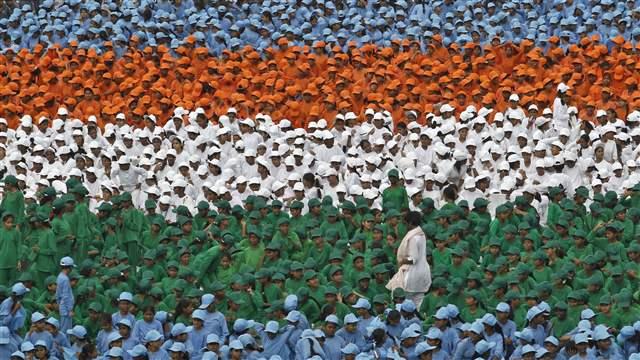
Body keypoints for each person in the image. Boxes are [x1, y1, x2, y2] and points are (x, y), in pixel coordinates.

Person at [387, 211, 431, 308]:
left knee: (403, 303)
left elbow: (413, 258)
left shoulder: (413, 238)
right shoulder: (421, 234)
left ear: (410, 223)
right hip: (422, 273)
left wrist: (402, 261)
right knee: (418, 305)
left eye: (406, 223)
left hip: (412, 275)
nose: (405, 225)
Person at [55, 257, 75, 333]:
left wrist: (59, 304)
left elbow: (58, 293)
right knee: (66, 331)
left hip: (62, 306)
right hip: (66, 310)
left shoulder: (60, 276)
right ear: (69, 268)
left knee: (64, 328)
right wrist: (70, 310)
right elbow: (66, 296)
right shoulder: (65, 279)